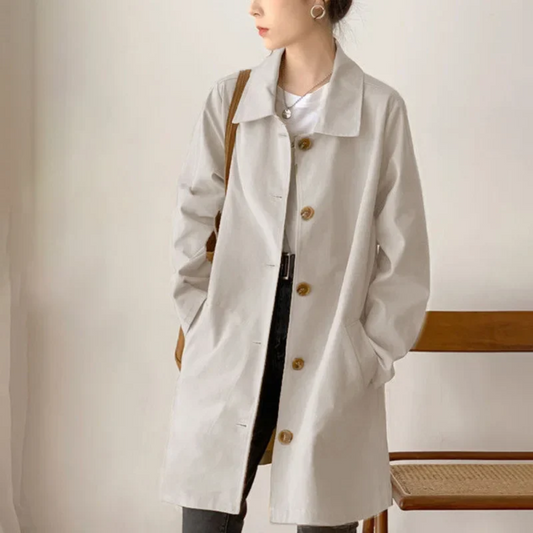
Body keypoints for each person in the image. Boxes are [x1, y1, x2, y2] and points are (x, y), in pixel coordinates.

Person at [159, 0, 431, 531]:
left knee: (323, 512)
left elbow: (404, 253)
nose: (253, 7)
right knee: (207, 515)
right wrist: (202, 322)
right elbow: (191, 220)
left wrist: (367, 353)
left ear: (317, 4)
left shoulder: (379, 110)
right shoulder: (230, 99)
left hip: (332, 342)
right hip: (235, 329)